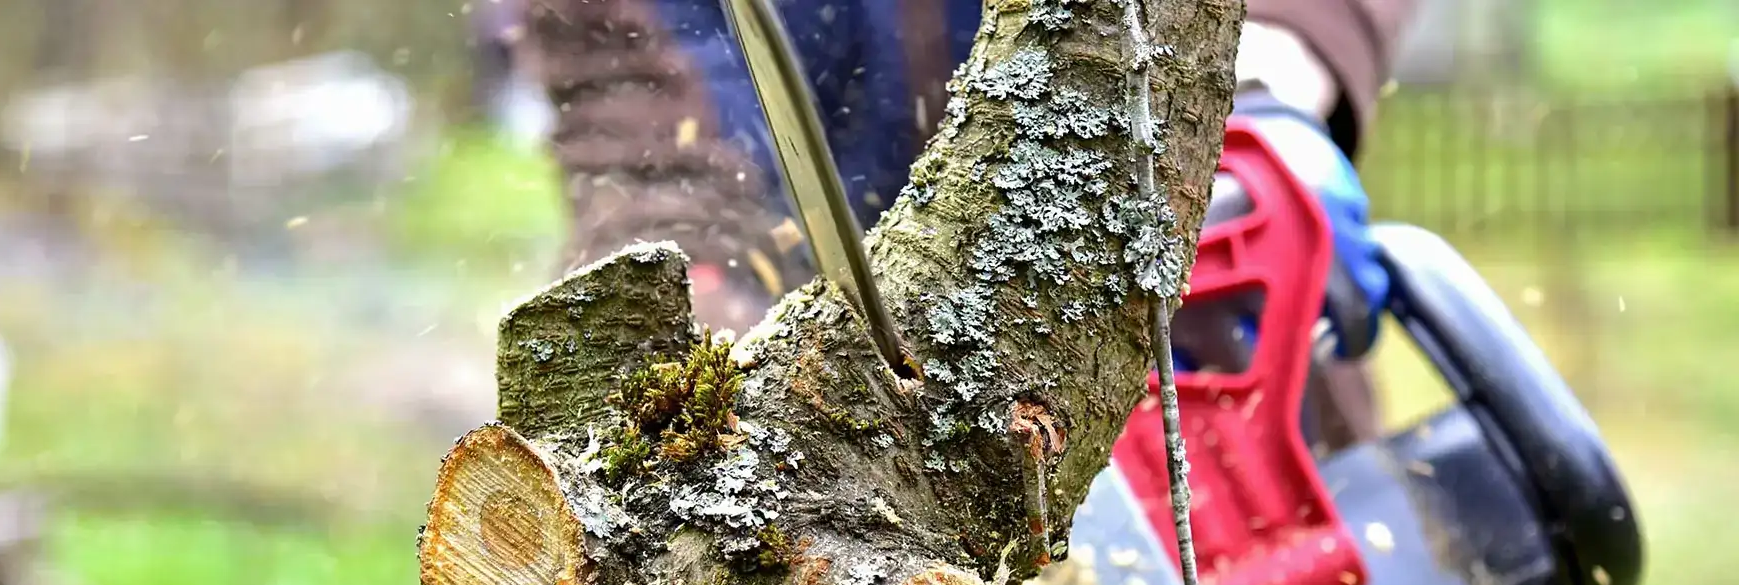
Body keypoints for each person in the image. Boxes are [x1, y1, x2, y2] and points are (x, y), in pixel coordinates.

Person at [511, 0, 1419, 450]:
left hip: (1215, 389)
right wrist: (699, 320)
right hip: (842, 437)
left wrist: (1264, 69)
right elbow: (635, 112)